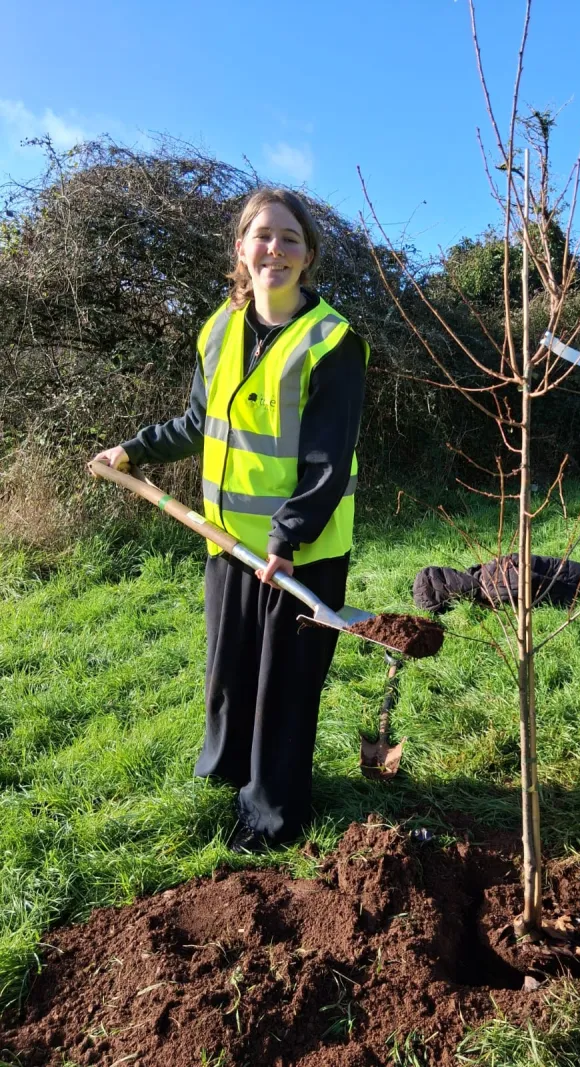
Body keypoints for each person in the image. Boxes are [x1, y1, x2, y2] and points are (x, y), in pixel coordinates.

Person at [91, 188, 369, 851]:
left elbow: (328, 462)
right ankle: (227, 776)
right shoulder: (218, 329)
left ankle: (273, 816)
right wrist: (133, 449)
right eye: (262, 235)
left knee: (285, 688)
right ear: (241, 248)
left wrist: (286, 538)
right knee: (231, 673)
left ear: (308, 256)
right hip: (227, 544)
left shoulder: (332, 341)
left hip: (300, 551)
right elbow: (198, 422)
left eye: (290, 238)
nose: (275, 248)